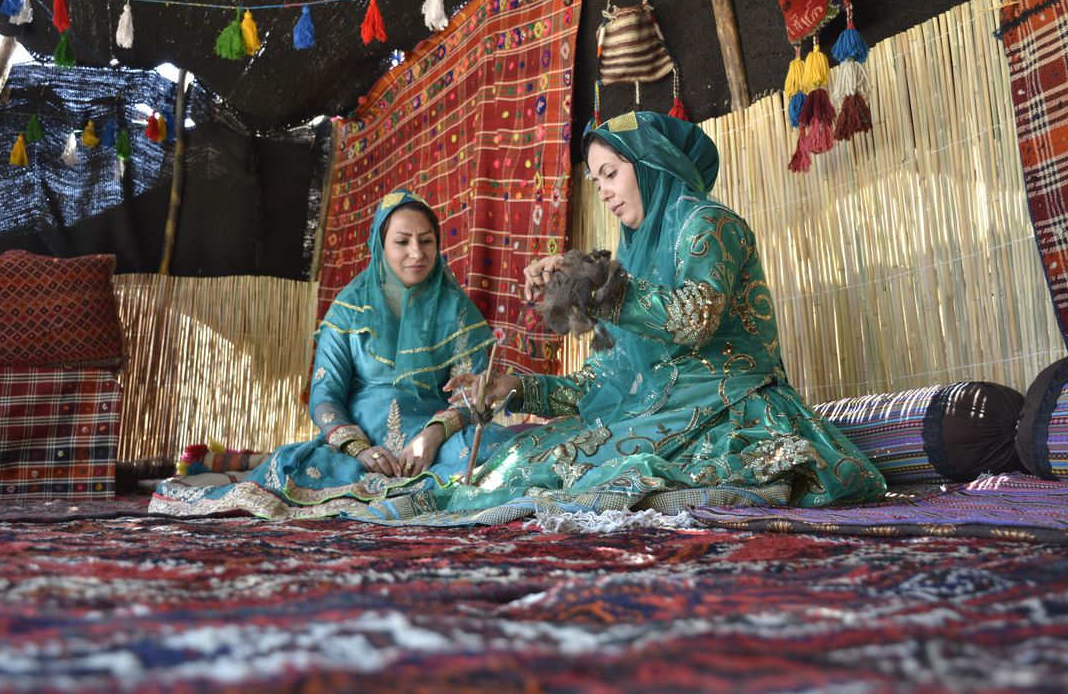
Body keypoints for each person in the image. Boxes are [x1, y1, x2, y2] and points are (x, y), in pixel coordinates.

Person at [356, 111, 885, 526]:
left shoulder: (710, 225)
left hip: (730, 401)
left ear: (651, 163)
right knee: (529, 457)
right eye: (596, 179)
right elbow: (603, 379)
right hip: (657, 404)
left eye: (611, 173)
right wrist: (515, 386)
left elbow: (694, 318)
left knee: (608, 472)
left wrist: (595, 282)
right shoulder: (630, 259)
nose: (603, 191)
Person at [149, 189, 511, 519]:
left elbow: (474, 390)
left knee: (501, 454)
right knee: (293, 467)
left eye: (426, 241)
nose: (416, 253)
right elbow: (326, 394)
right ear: (380, 246)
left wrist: (432, 436)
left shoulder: (456, 310)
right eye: (402, 242)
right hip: (358, 450)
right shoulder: (349, 310)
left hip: (434, 450)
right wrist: (359, 450)